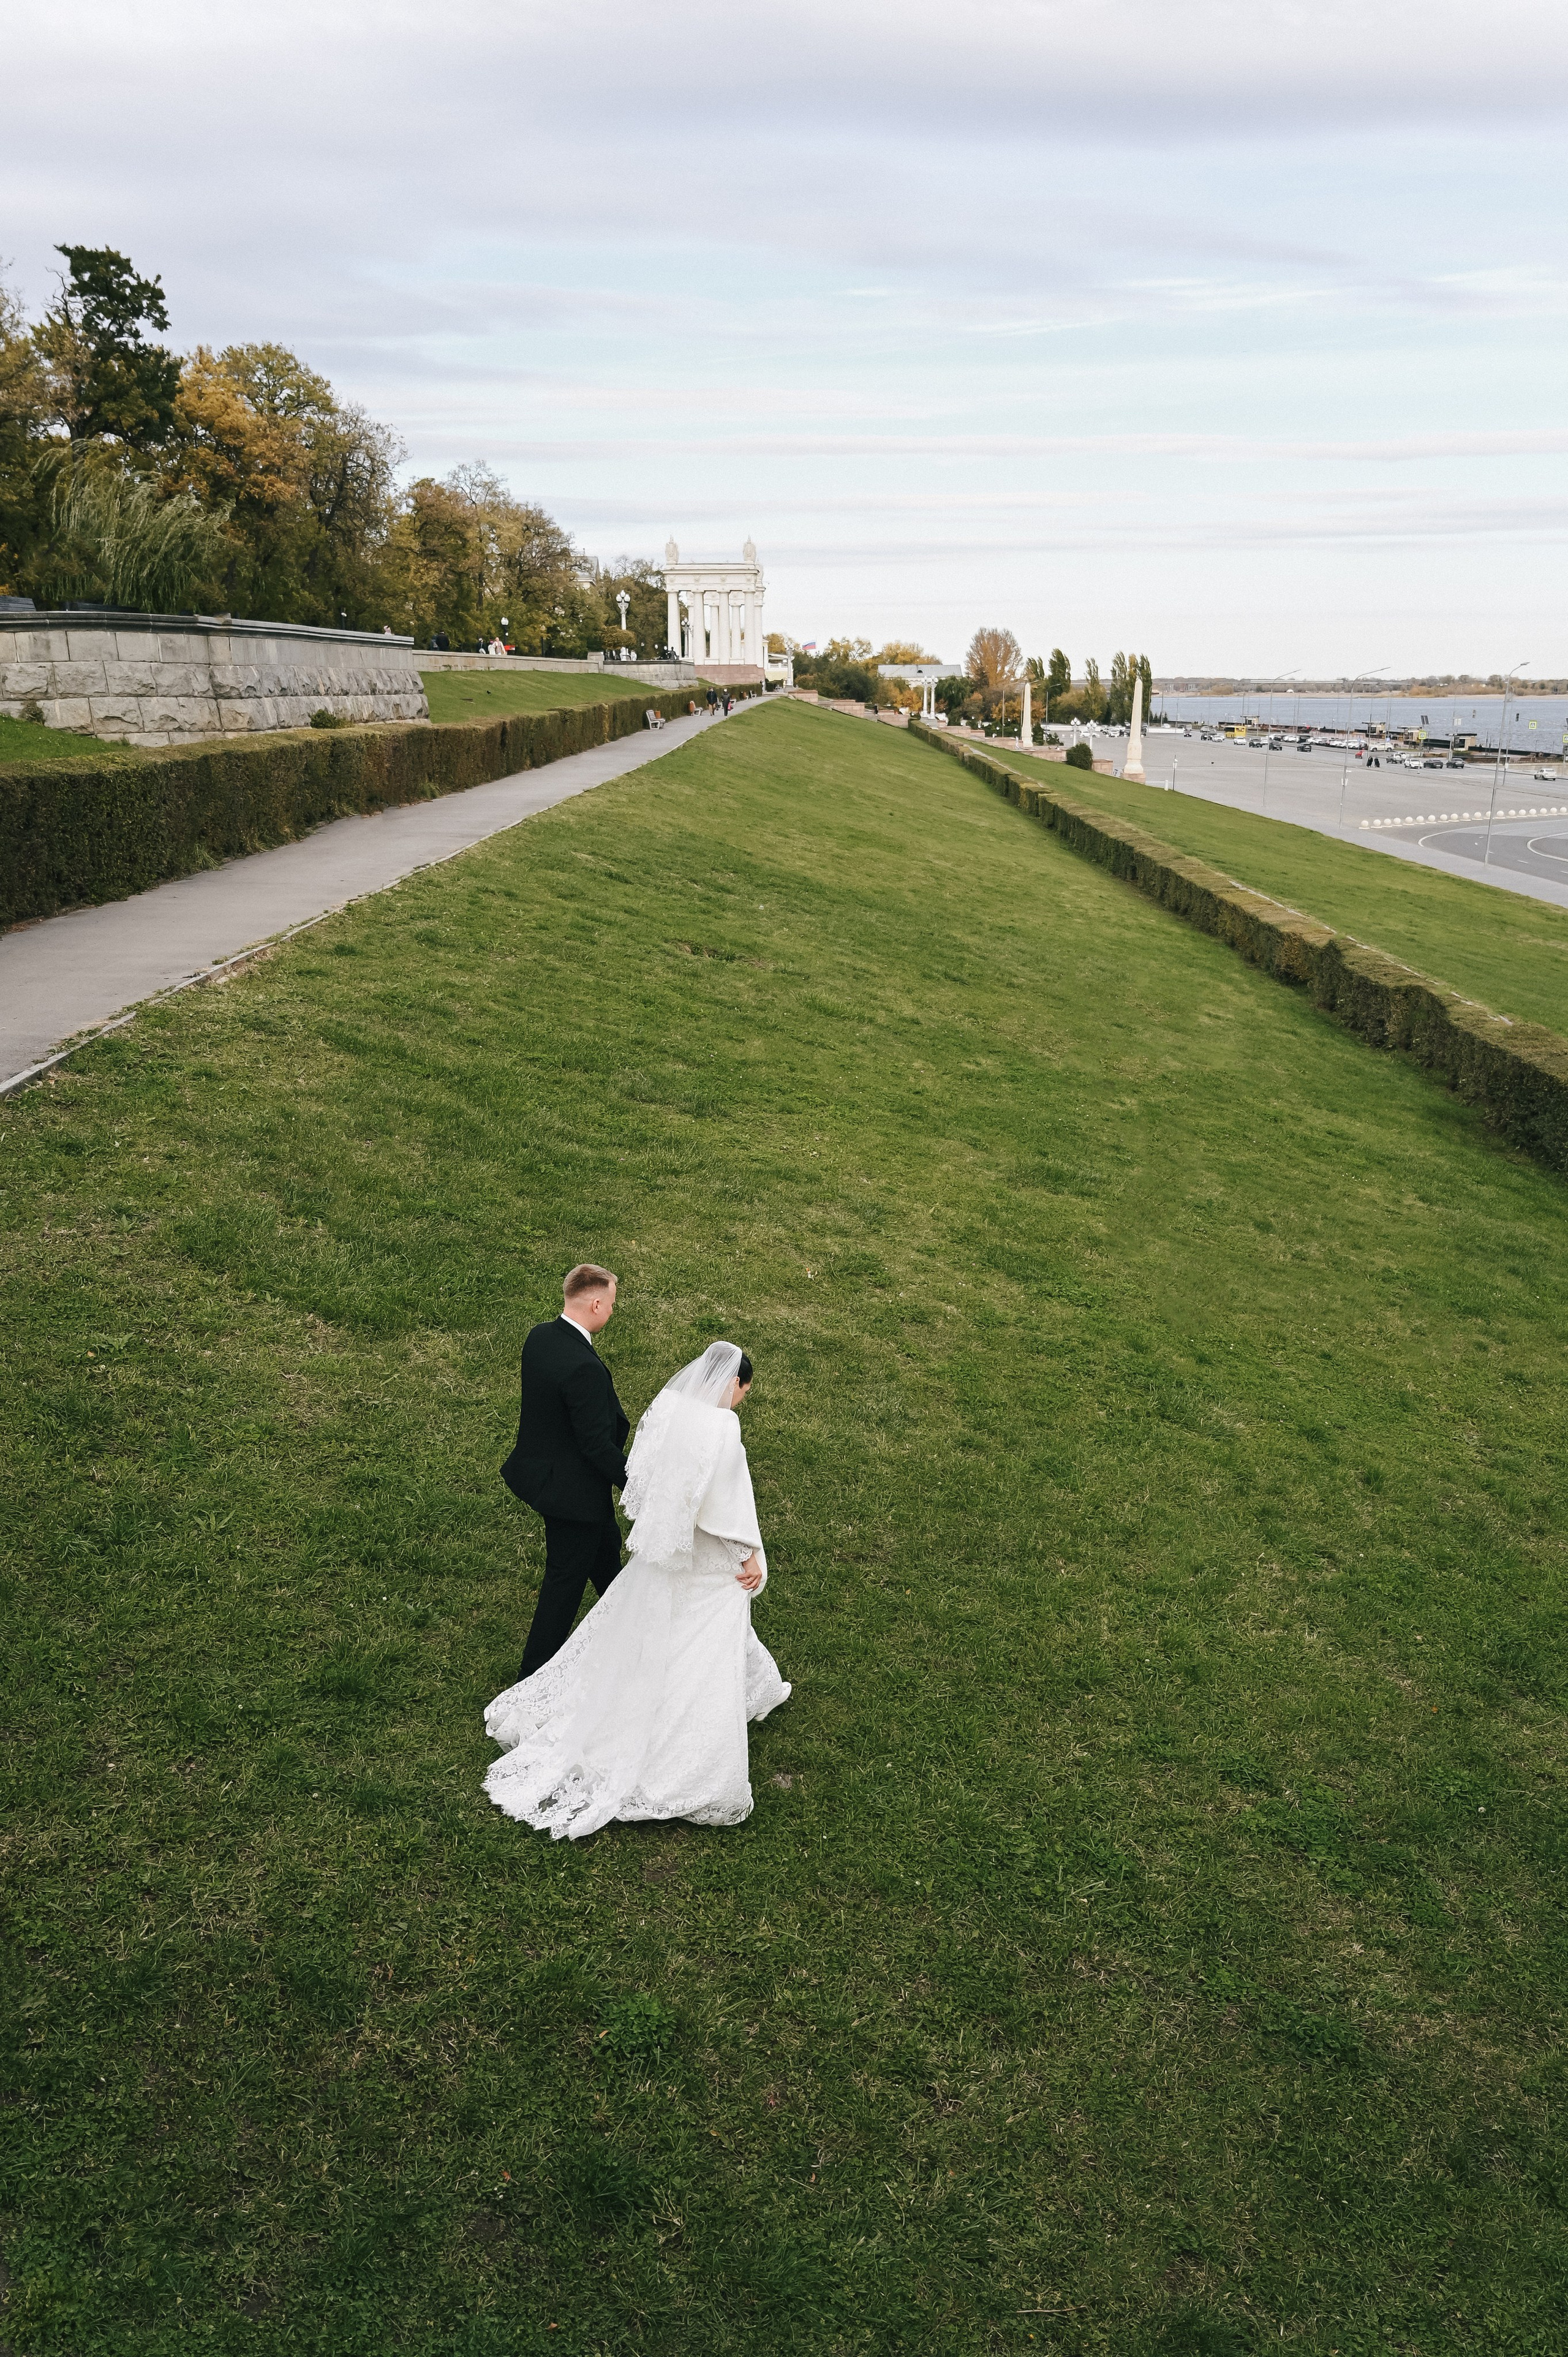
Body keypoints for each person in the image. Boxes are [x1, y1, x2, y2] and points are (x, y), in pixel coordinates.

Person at [483, 1341, 790, 1839]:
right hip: (706, 1551)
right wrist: (748, 1552)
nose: (740, 1402)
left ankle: (758, 1685)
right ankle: (686, 1751)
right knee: (713, 1620)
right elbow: (726, 1501)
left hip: (665, 1549)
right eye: (744, 1394)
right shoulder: (722, 1427)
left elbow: (641, 1478)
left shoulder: (669, 1409)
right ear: (736, 1383)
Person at [502, 1265, 630, 1680]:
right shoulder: (584, 1368)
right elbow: (596, 1445)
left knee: (610, 1563)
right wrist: (641, 1484)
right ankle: (529, 1680)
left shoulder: (540, 1337)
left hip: (547, 1479)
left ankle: (636, 1639)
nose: (612, 1310)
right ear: (595, 1303)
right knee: (563, 1587)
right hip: (575, 1500)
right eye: (611, 1303)